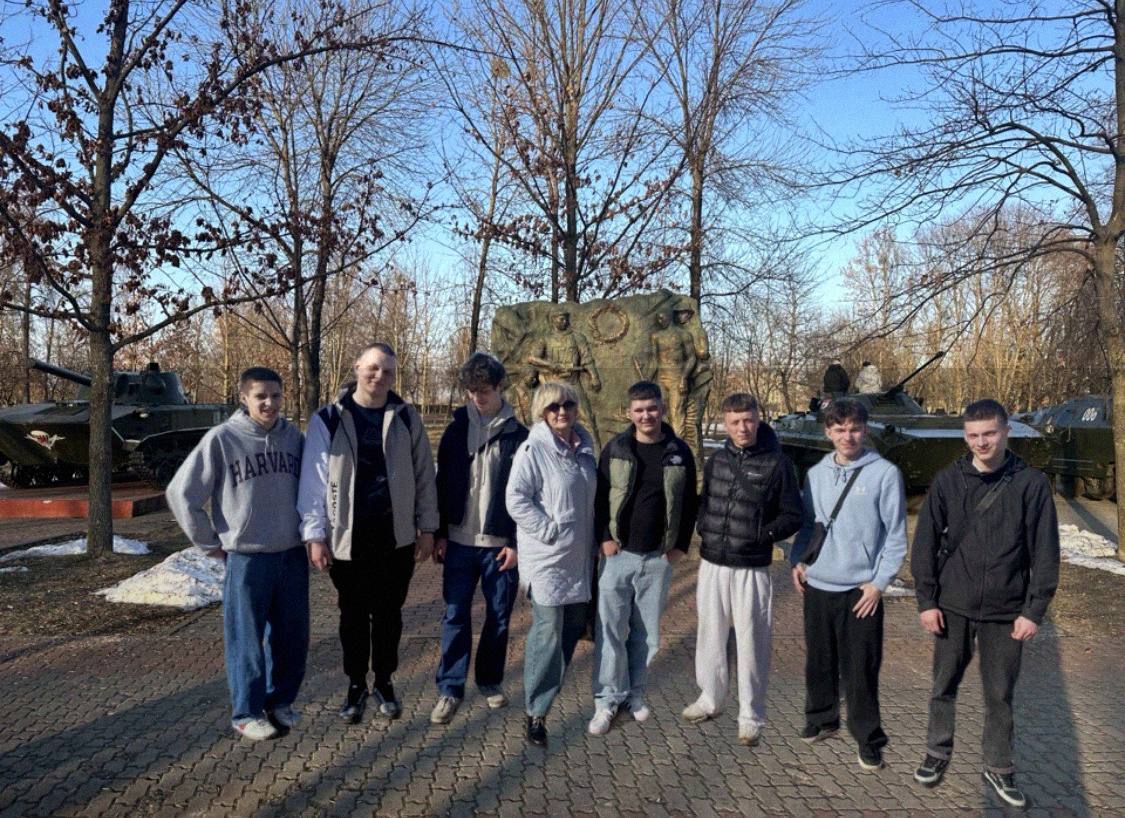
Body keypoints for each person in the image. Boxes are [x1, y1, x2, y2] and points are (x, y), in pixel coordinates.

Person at [910, 399, 1059, 808]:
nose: (981, 442)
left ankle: (999, 766)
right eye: (973, 435)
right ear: (965, 436)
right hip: (952, 607)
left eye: (989, 433)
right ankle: (936, 752)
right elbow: (924, 546)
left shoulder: (1030, 484)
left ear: (1006, 431)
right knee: (943, 686)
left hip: (1006, 613)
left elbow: (1045, 552)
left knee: (1000, 695)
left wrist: (1033, 611)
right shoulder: (947, 481)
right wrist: (926, 601)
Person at [297, 342, 437, 723]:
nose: (379, 376)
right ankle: (356, 684)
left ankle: (385, 682)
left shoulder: (406, 417)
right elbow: (314, 482)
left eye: (388, 371)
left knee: (389, 616)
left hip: (396, 537)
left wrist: (428, 527)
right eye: (373, 368)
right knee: (354, 616)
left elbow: (425, 475)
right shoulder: (329, 419)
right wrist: (314, 535)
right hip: (348, 539)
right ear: (357, 366)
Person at [166, 366, 307, 741]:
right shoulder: (222, 439)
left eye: (276, 395)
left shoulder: (294, 438)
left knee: (292, 637)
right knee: (246, 639)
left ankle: (280, 701)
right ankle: (246, 712)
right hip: (247, 557)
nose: (269, 403)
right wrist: (209, 542)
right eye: (261, 396)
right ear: (244, 398)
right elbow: (181, 494)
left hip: (291, 554)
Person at [790, 398, 907, 771]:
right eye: (839, 429)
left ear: (865, 430)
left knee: (861, 668)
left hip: (861, 591)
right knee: (819, 661)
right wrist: (798, 561)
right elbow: (808, 525)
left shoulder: (884, 474)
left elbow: (895, 537)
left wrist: (879, 583)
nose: (848, 436)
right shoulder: (816, 474)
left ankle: (868, 737)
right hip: (819, 585)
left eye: (854, 429)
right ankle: (822, 718)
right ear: (828, 432)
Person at [683, 393, 803, 746]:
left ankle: (751, 714)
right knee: (710, 632)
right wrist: (704, 527)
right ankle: (710, 697)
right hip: (712, 561)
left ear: (758, 418)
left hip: (751, 565)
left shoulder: (778, 464)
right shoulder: (718, 460)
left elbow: (793, 515)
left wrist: (763, 535)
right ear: (725, 422)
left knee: (752, 639)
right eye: (734, 422)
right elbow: (706, 502)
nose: (742, 428)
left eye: (748, 420)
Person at [588, 381, 698, 735]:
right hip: (618, 555)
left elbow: (690, 503)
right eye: (639, 410)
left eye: (651, 408)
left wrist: (680, 546)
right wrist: (604, 538)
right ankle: (607, 699)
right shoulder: (616, 449)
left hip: (657, 559)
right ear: (629, 413)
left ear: (661, 409)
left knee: (646, 635)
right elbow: (599, 497)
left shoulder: (679, 452)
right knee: (610, 631)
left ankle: (634, 694)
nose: (646, 415)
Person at [430, 353, 528, 724]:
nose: (477, 397)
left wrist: (516, 543)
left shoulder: (519, 436)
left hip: (500, 546)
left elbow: (527, 493)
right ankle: (450, 688)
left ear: (500, 387)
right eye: (471, 391)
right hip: (458, 542)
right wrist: (440, 532)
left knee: (498, 617)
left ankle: (489, 680)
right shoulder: (456, 430)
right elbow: (441, 484)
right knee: (455, 615)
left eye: (484, 390)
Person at [505, 380, 598, 747]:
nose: (562, 412)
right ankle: (536, 711)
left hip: (579, 558)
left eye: (568, 405)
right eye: (554, 407)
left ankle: (547, 690)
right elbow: (516, 498)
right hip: (547, 558)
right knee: (548, 632)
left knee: (572, 630)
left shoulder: (586, 448)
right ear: (542, 412)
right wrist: (549, 530)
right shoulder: (533, 449)